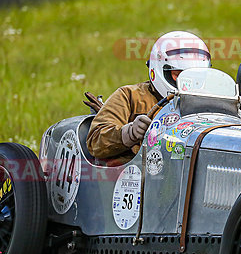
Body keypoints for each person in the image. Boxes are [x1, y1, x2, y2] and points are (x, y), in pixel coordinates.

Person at [86, 31, 211, 161]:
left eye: (196, 76)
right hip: (137, 175)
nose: (187, 82)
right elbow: (95, 142)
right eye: (178, 74)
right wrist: (129, 133)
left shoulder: (210, 102)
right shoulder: (129, 96)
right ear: (157, 69)